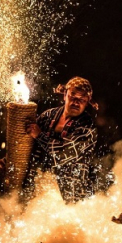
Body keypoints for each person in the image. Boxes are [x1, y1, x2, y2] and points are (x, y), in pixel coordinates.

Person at [23, 76, 98, 204]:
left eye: (81, 99)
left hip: (69, 192)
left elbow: (63, 153)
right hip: (37, 184)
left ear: (87, 101)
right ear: (64, 95)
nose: (76, 102)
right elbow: (27, 143)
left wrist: (39, 135)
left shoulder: (87, 127)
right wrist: (9, 160)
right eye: (72, 97)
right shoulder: (48, 116)